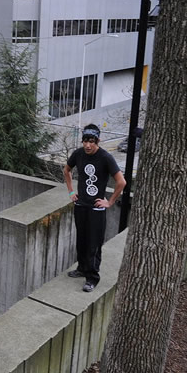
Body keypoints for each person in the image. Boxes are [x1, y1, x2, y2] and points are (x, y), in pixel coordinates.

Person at [63, 124, 126, 292]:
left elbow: (121, 182)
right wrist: (71, 192)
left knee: (94, 244)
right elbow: (67, 170)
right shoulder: (78, 154)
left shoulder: (105, 157)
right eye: (85, 141)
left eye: (91, 141)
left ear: (98, 140)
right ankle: (82, 269)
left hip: (97, 209)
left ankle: (92, 277)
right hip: (80, 205)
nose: (87, 145)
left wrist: (110, 202)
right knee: (82, 240)